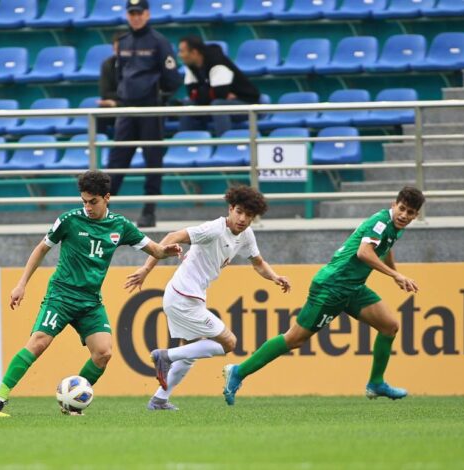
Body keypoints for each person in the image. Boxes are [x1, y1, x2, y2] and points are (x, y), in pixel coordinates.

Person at [0, 170, 182, 416]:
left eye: (93, 202)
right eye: (84, 201)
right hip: (61, 296)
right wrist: (21, 284)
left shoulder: (120, 226)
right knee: (39, 342)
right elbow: (41, 249)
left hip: (90, 302)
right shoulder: (69, 220)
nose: (87, 207)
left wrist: (167, 251)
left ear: (107, 198)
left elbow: (155, 250)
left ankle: (72, 400)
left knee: (103, 353)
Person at [223, 187, 426, 405]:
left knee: (389, 326)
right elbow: (364, 252)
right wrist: (395, 275)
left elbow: (384, 247)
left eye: (410, 212)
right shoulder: (381, 222)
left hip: (353, 287)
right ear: (394, 205)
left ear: (416, 215)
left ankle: (376, 383)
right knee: (294, 339)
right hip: (332, 286)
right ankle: (238, 371)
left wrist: (394, 273)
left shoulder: (395, 227)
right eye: (402, 209)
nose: (404, 215)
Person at [125, 185, 291, 410]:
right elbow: (173, 236)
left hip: (188, 296)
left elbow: (258, 263)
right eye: (239, 212)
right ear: (230, 208)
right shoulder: (214, 229)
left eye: (249, 215)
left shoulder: (246, 235)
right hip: (183, 296)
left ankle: (159, 400)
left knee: (190, 353)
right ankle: (166, 356)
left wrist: (275, 277)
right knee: (229, 343)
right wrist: (146, 269)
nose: (243, 219)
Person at [108, 0, 183, 228]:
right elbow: (120, 74)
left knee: (152, 160)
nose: (135, 17)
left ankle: (149, 211)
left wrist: (159, 96)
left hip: (150, 108)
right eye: (132, 13)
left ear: (147, 14)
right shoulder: (123, 41)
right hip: (127, 108)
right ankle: (102, 210)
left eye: (139, 13)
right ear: (127, 15)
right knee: (117, 160)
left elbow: (172, 77)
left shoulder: (159, 42)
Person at [177, 35, 261, 137]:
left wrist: (203, 93)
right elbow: (192, 94)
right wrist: (210, 93)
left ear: (194, 52)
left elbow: (219, 94)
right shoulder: (191, 65)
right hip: (218, 103)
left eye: (182, 51)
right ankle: (184, 141)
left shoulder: (217, 63)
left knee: (218, 105)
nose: (179, 55)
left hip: (246, 103)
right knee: (188, 104)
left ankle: (224, 143)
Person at [97, 32, 123, 137]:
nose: (120, 52)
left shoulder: (139, 64)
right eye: (117, 49)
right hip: (116, 104)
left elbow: (138, 93)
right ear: (113, 49)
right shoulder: (108, 64)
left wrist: (117, 103)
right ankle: (98, 144)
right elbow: (105, 93)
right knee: (101, 113)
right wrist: (116, 103)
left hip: (135, 105)